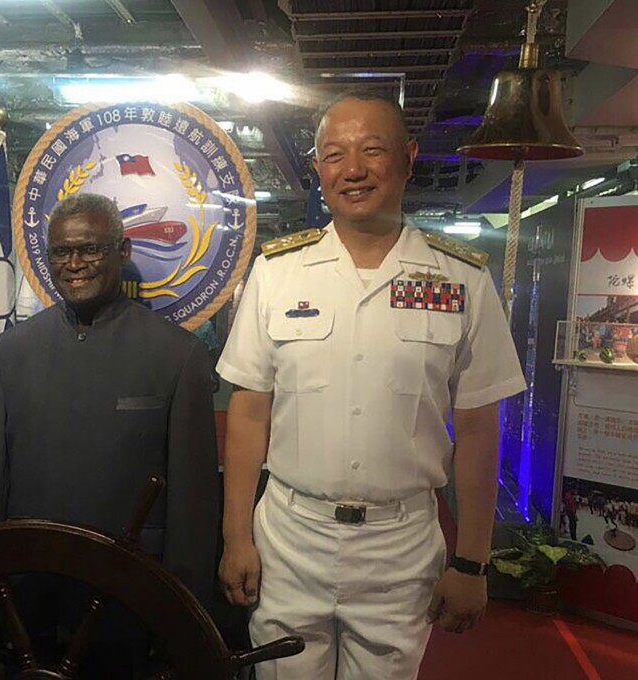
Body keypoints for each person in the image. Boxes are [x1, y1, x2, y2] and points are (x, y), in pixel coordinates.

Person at [216, 91, 526, 679]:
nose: (352, 170)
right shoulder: (276, 273)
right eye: (334, 155)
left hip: (401, 549)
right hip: (290, 538)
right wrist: (236, 538)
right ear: (317, 169)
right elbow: (249, 411)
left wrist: (473, 561)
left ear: (408, 158)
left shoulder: (460, 280)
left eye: (372, 151)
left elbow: (482, 429)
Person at [0, 192, 219, 677]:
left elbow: (194, 500)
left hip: (131, 593)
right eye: (61, 252)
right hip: (29, 589)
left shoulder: (178, 355)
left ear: (122, 252)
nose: (75, 264)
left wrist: (184, 607)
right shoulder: (9, 352)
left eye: (91, 249)